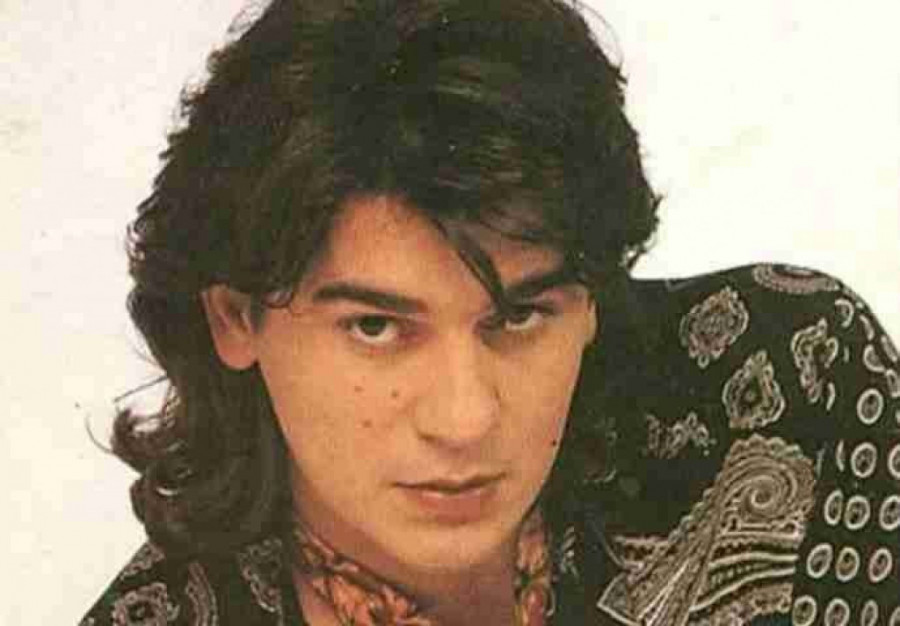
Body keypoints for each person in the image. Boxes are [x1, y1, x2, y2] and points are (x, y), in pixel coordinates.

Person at [81, 0, 900, 624]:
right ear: (234, 319)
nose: (465, 418)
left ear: (592, 295)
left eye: (518, 316)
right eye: (376, 327)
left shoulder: (794, 393)